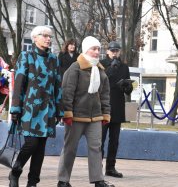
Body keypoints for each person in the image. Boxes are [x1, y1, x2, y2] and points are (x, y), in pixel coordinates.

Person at [9, 25, 64, 187]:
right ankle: (15, 171)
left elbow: (57, 86)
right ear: (35, 38)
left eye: (50, 36)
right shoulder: (26, 56)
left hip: (48, 110)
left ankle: (33, 182)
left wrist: (60, 109)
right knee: (31, 144)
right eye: (44, 35)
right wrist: (15, 108)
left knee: (40, 149)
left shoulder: (54, 59)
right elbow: (19, 84)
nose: (48, 39)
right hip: (29, 109)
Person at [57, 36, 114, 187]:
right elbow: (67, 91)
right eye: (94, 49)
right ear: (86, 50)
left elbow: (105, 95)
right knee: (70, 148)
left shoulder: (101, 70)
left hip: (95, 117)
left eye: (98, 49)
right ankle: (63, 180)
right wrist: (67, 113)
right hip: (76, 117)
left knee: (96, 148)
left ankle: (98, 180)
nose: (97, 52)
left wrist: (106, 113)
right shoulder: (75, 68)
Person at [100, 41, 133, 178]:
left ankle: (110, 168)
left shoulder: (124, 67)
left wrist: (127, 87)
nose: (114, 53)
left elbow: (129, 89)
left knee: (114, 140)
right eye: (112, 51)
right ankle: (97, 168)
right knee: (100, 140)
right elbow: (100, 82)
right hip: (104, 106)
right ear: (107, 51)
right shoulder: (101, 64)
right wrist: (110, 69)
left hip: (118, 106)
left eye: (117, 51)